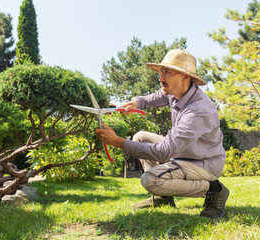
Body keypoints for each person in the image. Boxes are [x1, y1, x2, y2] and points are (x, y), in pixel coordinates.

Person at [95, 49, 229, 218]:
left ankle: (215, 190)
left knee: (150, 180)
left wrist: (118, 142)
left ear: (185, 76)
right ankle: (162, 198)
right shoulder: (177, 92)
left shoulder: (198, 111)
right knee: (140, 137)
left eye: (167, 72)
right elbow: (157, 97)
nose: (161, 78)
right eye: (161, 72)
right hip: (185, 153)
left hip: (203, 164)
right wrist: (138, 103)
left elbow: (164, 151)